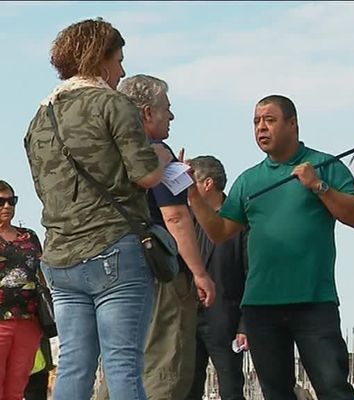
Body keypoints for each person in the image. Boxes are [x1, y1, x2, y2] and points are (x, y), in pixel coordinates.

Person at [24, 19, 170, 400]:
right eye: (118, 60)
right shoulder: (112, 103)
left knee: (74, 364)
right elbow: (145, 176)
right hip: (112, 248)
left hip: (59, 258)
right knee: (122, 364)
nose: (121, 71)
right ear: (100, 60)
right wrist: (162, 158)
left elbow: (44, 188)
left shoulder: (40, 117)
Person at [188, 94, 354, 400]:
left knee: (333, 388)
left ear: (292, 124)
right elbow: (219, 232)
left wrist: (318, 186)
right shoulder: (248, 181)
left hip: (313, 301)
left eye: (269, 120)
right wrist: (192, 196)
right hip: (261, 307)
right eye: (256, 122)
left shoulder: (325, 166)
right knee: (275, 393)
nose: (261, 128)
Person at [101, 74, 214, 400]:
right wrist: (200, 273)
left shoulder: (106, 152)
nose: (172, 116)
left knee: (119, 365)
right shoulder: (160, 155)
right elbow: (175, 216)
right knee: (166, 365)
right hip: (160, 274)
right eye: (167, 109)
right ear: (148, 113)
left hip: (112, 272)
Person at [185, 155, 248, 400]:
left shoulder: (238, 221)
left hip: (226, 322)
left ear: (208, 184)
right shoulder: (185, 220)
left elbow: (249, 273)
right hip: (188, 318)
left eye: (192, 182)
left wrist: (245, 325)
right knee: (187, 389)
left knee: (231, 390)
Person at [0, 181, 43, 400]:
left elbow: (42, 272)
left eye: (11, 200)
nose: (7, 206)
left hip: (29, 319)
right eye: (1, 201)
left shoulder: (29, 236)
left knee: (17, 388)